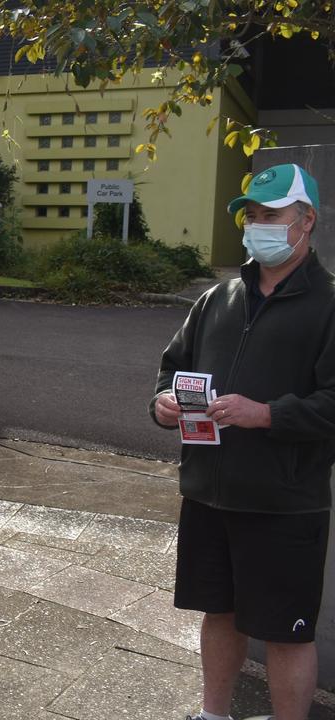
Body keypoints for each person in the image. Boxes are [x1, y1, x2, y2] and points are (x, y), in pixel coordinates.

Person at [151, 163, 335, 720]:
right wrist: (162, 404)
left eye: (271, 215)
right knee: (218, 613)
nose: (258, 226)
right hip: (208, 493)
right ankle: (213, 714)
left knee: (287, 633)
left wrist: (266, 415)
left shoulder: (328, 303)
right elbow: (172, 370)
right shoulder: (218, 299)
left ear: (308, 222)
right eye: (251, 216)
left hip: (285, 503)